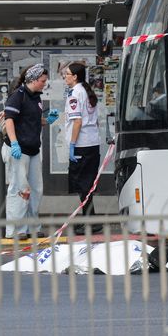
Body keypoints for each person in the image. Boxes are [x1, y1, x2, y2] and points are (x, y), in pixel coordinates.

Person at [2, 63, 58, 239]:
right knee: (20, 189)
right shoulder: (17, 96)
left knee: (35, 190)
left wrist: (47, 120)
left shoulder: (36, 97)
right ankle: (15, 230)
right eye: (43, 80)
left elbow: (30, 119)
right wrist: (14, 143)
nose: (44, 83)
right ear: (33, 80)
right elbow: (9, 120)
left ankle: (32, 227)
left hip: (33, 149)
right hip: (18, 149)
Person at [63, 63, 103, 236]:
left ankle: (90, 222)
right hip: (92, 142)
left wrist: (72, 144)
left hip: (81, 145)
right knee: (88, 184)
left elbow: (77, 122)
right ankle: (90, 219)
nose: (65, 76)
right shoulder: (87, 91)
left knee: (83, 185)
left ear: (75, 77)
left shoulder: (75, 94)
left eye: (67, 74)